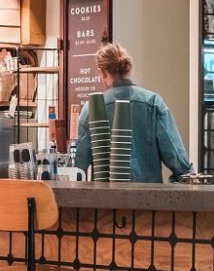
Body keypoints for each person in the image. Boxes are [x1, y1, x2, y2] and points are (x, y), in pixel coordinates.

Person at [75, 43, 193, 183]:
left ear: (102, 72)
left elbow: (79, 164)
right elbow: (176, 155)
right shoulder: (153, 102)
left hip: (106, 198)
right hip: (147, 199)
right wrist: (187, 179)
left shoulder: (91, 109)